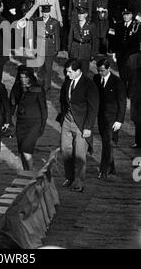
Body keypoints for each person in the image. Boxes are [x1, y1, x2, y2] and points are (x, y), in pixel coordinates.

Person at [58, 58, 99, 192]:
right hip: (67, 121)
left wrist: (88, 127)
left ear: (78, 71)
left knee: (80, 155)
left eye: (69, 72)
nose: (67, 74)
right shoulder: (67, 81)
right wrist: (63, 117)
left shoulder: (89, 85)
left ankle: (78, 183)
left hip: (81, 124)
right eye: (66, 72)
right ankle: (70, 178)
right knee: (65, 150)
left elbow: (93, 108)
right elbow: (62, 100)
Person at [93, 58, 126, 178]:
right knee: (106, 142)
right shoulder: (96, 79)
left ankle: (103, 169)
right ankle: (111, 167)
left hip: (113, 119)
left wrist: (119, 120)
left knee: (107, 142)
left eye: (102, 70)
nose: (100, 73)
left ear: (108, 69)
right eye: (98, 70)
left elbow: (122, 102)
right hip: (101, 117)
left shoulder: (117, 82)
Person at [10, 66, 47, 171]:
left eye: (25, 77)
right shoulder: (17, 87)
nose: (23, 80)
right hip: (21, 123)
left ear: (30, 77)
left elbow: (44, 109)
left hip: (34, 123)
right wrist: (8, 120)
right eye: (21, 77)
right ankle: (26, 173)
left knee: (26, 150)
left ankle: (31, 174)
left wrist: (42, 126)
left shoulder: (38, 89)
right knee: (22, 150)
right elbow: (12, 103)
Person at [33, 4, 60, 92]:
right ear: (41, 12)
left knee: (48, 68)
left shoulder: (54, 22)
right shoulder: (37, 21)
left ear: (49, 12)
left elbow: (57, 36)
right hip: (40, 46)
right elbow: (34, 35)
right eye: (44, 12)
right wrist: (34, 47)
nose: (45, 14)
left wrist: (56, 48)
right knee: (40, 68)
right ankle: (39, 84)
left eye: (47, 12)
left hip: (49, 47)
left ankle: (47, 86)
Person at [68, 6, 98, 76]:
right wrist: (69, 51)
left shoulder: (91, 25)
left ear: (86, 15)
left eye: (82, 14)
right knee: (74, 71)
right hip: (75, 50)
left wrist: (93, 53)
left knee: (84, 72)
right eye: (79, 14)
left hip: (86, 51)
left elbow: (95, 40)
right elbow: (70, 39)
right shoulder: (74, 24)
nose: (80, 16)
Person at [126, 40, 141, 148]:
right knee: (137, 118)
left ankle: (138, 141)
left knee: (137, 118)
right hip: (136, 92)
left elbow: (128, 77)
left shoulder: (132, 58)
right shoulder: (133, 58)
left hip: (135, 91)